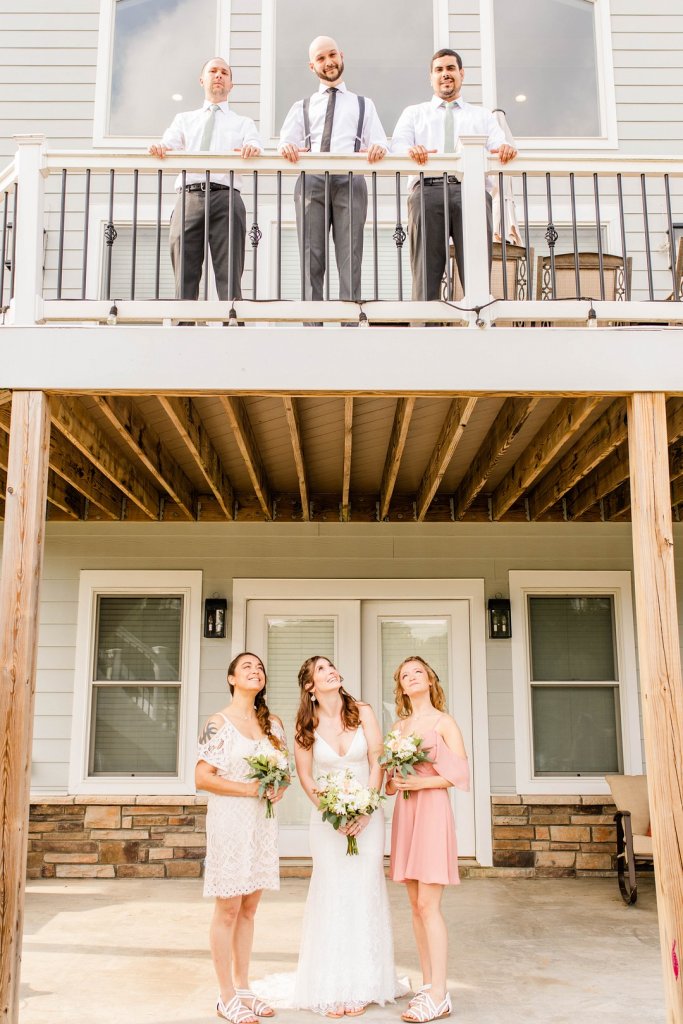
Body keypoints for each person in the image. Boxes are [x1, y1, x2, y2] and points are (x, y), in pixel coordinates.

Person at [293, 655, 399, 1017]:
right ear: (310, 686)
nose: (330, 671)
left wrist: (366, 808)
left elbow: (377, 758)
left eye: (331, 666)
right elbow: (306, 777)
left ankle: (365, 982)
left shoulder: (363, 711)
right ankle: (331, 983)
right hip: (327, 821)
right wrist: (333, 814)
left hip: (369, 817)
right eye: (321, 670)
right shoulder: (304, 726)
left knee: (365, 887)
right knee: (332, 890)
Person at [196, 652, 287, 1024]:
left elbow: (283, 774)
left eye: (261, 667)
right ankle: (226, 996)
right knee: (228, 908)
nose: (256, 670)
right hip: (230, 824)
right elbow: (202, 778)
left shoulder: (274, 725)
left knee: (250, 909)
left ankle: (244, 986)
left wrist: (279, 787)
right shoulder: (219, 723)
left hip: (262, 827)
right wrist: (248, 790)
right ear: (232, 678)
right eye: (247, 666)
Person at [391, 49, 518, 300]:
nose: (445, 74)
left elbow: (499, 145)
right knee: (425, 274)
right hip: (426, 191)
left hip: (470, 191)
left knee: (476, 275)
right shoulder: (414, 114)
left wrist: (504, 149)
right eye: (439, 70)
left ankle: (477, 327)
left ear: (461, 74)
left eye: (450, 68)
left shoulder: (481, 115)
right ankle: (425, 331)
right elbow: (397, 147)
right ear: (431, 77)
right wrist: (410, 151)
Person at [386, 656, 470, 1024]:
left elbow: (461, 774)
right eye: (406, 675)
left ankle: (440, 993)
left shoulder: (444, 722)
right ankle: (427, 984)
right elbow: (389, 779)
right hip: (406, 813)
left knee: (430, 904)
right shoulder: (398, 726)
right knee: (415, 905)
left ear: (430, 679)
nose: (412, 677)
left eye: (418, 671)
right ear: (402, 688)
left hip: (432, 810)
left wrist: (422, 781)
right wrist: (394, 779)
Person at [278, 36, 388, 306]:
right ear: (311, 66)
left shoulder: (364, 104)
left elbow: (380, 141)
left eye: (331, 56)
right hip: (311, 181)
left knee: (350, 257)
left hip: (350, 181)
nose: (328, 62)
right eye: (320, 58)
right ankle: (312, 325)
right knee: (311, 256)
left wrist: (378, 148)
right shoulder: (300, 107)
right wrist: (287, 148)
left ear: (341, 55)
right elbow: (286, 142)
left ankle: (350, 325)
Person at [149, 57, 263, 303]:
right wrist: (160, 147)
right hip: (190, 196)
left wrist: (252, 148)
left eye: (224, 72)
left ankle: (232, 322)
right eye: (213, 71)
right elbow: (168, 144)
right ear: (202, 80)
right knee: (184, 269)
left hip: (226, 197)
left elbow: (254, 144)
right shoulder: (184, 120)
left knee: (229, 271)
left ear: (231, 84)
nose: (219, 75)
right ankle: (184, 325)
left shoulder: (243, 123)